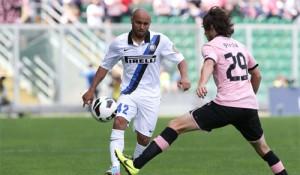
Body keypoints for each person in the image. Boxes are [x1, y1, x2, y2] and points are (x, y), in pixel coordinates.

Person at [115, 6, 288, 175]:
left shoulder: (211, 46)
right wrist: (247, 98)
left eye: (206, 29)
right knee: (264, 149)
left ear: (212, 27)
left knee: (175, 126)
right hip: (249, 107)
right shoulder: (240, 46)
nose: (205, 33)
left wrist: (202, 83)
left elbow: (209, 63)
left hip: (225, 106)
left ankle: (135, 165)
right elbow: (257, 75)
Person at [82, 8, 191, 175]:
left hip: (151, 96)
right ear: (132, 21)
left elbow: (181, 60)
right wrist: (91, 89)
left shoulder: (160, 40)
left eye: (145, 23)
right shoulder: (119, 42)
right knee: (119, 122)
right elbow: (105, 66)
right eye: (138, 22)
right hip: (129, 93)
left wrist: (185, 77)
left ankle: (134, 167)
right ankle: (115, 169)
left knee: (144, 138)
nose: (141, 26)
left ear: (149, 24)